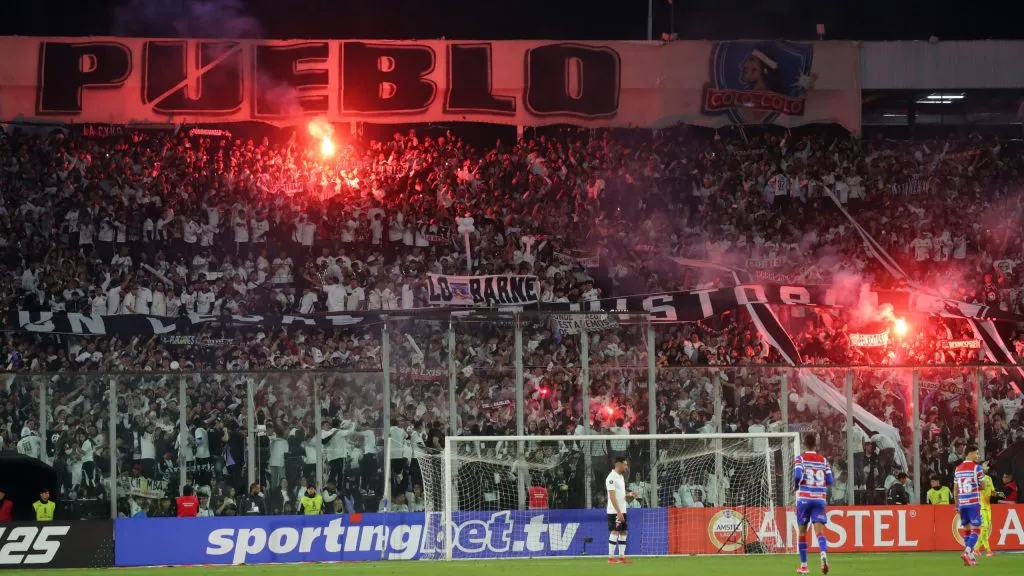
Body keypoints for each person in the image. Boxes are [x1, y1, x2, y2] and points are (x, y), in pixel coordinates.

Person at [793, 433, 832, 575]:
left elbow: (797, 476)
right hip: (819, 499)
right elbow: (830, 480)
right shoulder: (824, 460)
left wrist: (796, 485)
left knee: (802, 532)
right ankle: (823, 555)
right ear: (816, 444)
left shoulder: (800, 459)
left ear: (804, 444)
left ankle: (804, 566)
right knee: (819, 532)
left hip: (804, 499)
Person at [952, 444, 984, 566]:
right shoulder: (977, 468)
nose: (978, 456)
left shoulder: (958, 468)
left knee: (966, 529)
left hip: (962, 503)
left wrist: (957, 505)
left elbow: (955, 489)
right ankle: (967, 552)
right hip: (973, 503)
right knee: (977, 529)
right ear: (969, 453)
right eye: (976, 453)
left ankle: (971, 559)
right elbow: (983, 486)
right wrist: (982, 477)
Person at [605, 456, 632, 565]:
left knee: (623, 531)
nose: (626, 467)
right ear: (618, 465)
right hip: (615, 511)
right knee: (615, 531)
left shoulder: (620, 477)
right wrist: (618, 512)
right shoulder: (611, 478)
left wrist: (630, 495)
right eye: (625, 464)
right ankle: (611, 558)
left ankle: (622, 557)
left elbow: (622, 495)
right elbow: (612, 497)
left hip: (622, 509)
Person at [978, 461, 995, 557]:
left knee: (986, 528)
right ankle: (988, 550)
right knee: (984, 528)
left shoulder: (989, 478)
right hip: (980, 506)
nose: (988, 468)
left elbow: (992, 492)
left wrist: (1001, 494)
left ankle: (976, 549)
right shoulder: (977, 479)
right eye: (986, 466)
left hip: (988, 506)